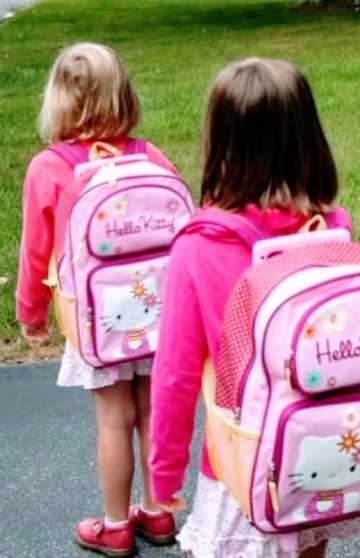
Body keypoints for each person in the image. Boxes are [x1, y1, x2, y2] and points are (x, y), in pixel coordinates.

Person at [149, 58, 360, 558]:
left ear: (221, 143)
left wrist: (164, 475)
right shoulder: (330, 228)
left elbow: (174, 373)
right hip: (319, 450)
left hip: (242, 459)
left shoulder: (199, 246)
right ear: (308, 141)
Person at [15, 42, 178, 556]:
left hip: (95, 324)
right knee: (153, 413)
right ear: (123, 95)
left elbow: (34, 251)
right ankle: (158, 513)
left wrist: (30, 313)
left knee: (113, 419)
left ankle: (114, 525)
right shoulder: (147, 154)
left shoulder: (49, 166)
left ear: (58, 101)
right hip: (155, 314)